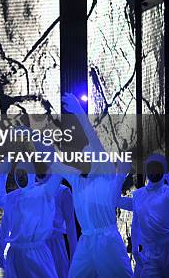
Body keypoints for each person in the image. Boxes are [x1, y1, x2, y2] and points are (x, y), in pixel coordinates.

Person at [42, 93, 133, 277]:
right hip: (86, 240)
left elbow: (93, 139)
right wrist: (31, 138)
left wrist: (78, 111)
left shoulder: (106, 174)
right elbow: (53, 161)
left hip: (107, 240)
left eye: (89, 152)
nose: (85, 154)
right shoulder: (77, 179)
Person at [0, 160, 62, 278]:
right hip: (15, 255)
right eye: (18, 173)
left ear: (32, 174)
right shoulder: (13, 197)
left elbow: (59, 173)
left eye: (24, 172)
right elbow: (4, 227)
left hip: (37, 254)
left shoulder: (44, 192)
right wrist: (2, 174)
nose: (21, 177)